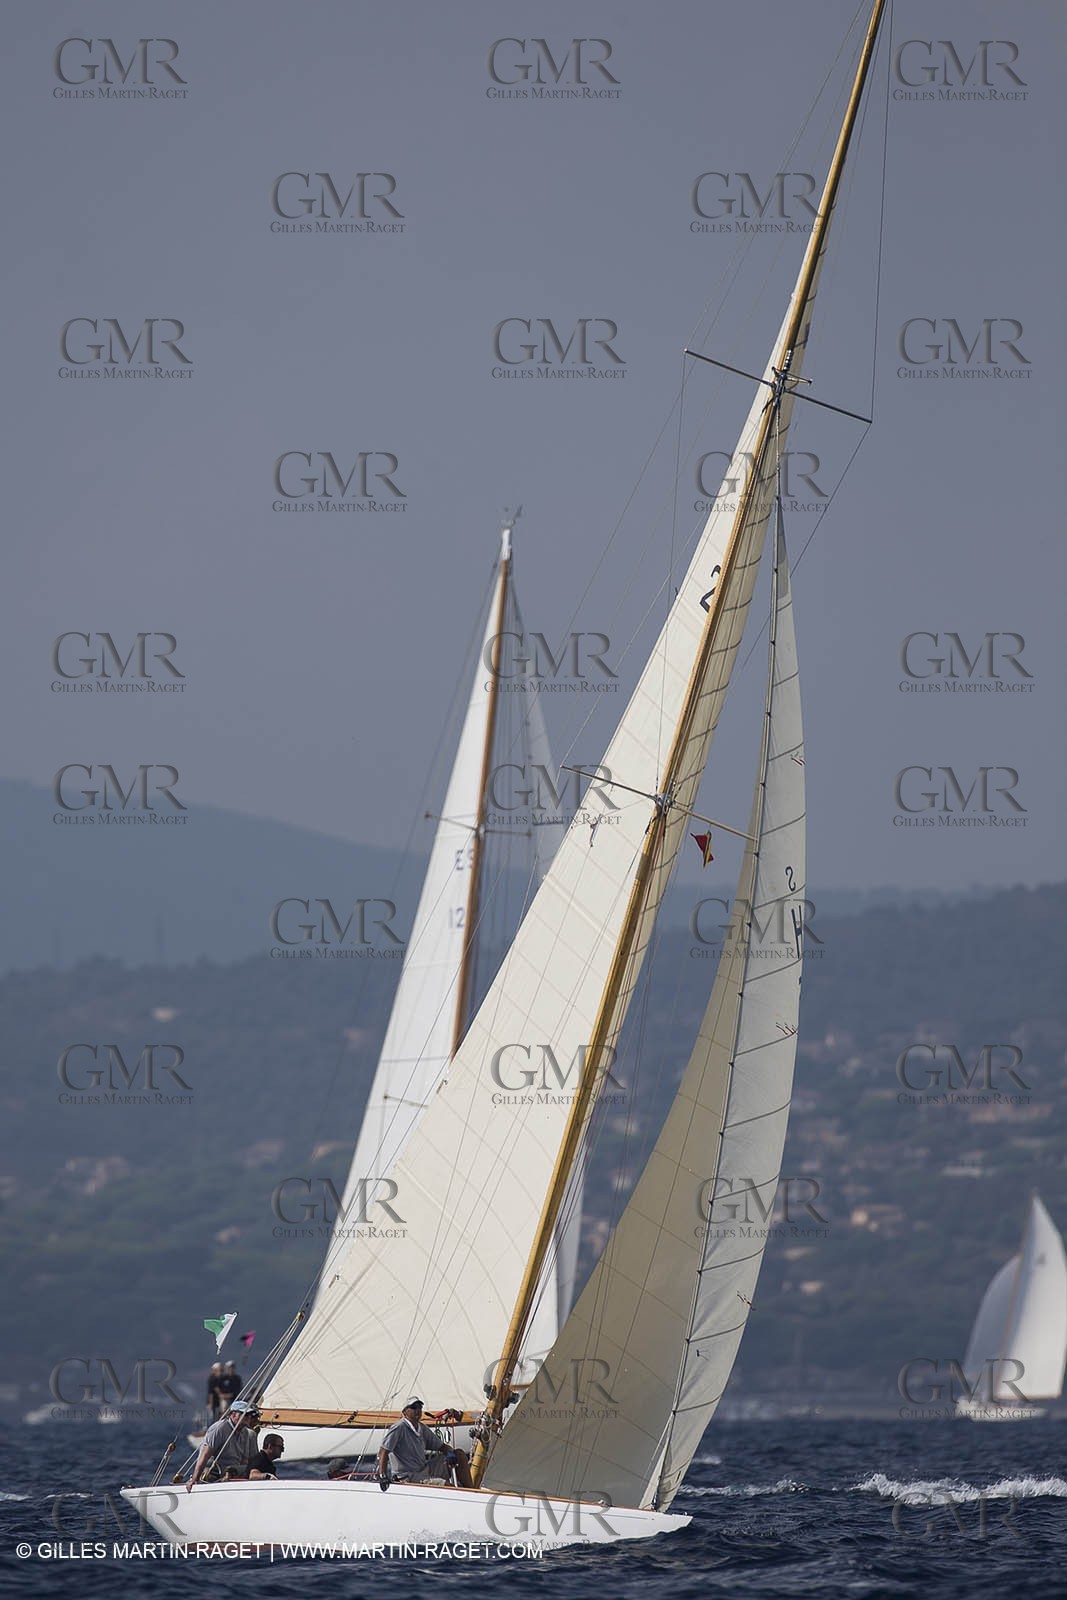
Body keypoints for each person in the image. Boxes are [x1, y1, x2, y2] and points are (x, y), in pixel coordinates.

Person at [377, 1397, 472, 1489]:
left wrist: (451, 1453)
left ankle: (472, 1491)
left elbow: (442, 1446)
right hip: (408, 1477)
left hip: (424, 1470)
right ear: (405, 1412)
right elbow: (383, 1451)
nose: (418, 1410)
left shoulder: (421, 1428)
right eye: (414, 1407)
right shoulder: (399, 1427)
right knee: (446, 1487)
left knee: (459, 1454)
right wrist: (382, 1476)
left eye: (420, 1407)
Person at [188, 1398, 259, 1489]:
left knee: (255, 1470)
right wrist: (194, 1480)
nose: (248, 1417)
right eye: (244, 1414)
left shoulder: (245, 1432)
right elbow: (204, 1455)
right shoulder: (219, 1429)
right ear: (233, 1415)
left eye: (249, 1415)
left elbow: (244, 1460)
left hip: (233, 1471)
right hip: (215, 1471)